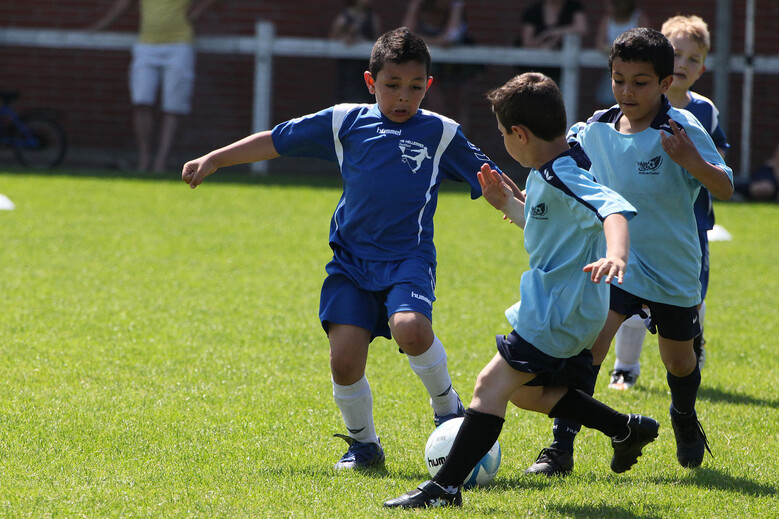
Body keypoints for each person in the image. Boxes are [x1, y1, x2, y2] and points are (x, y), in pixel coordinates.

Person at [181, 27, 503, 470]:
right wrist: (215, 158)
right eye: (392, 86)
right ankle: (364, 446)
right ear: (371, 83)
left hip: (407, 260)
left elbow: (491, 178)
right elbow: (277, 140)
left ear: (428, 86)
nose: (403, 97)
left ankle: (449, 411)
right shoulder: (345, 121)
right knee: (344, 361)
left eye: (414, 88)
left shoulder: (441, 133)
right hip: (350, 265)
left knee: (411, 328)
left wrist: (531, 207)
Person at [383, 72, 652, 510]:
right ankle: (626, 428)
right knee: (526, 393)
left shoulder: (564, 174)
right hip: (563, 307)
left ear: (521, 134)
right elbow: (548, 229)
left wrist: (616, 255)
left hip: (558, 310)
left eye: (503, 134)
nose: (504, 141)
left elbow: (614, 209)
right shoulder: (549, 172)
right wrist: (506, 204)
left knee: (489, 384)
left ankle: (444, 488)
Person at [525, 27, 733, 478]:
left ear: (664, 83)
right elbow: (560, 168)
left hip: (674, 267)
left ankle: (683, 415)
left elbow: (726, 184)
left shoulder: (681, 127)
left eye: (640, 82)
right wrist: (522, 201)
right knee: (587, 352)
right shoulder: (595, 127)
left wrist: (693, 163)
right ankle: (561, 447)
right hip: (616, 263)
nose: (627, 91)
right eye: (619, 79)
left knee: (679, 360)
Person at [608, 15, 729, 391]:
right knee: (625, 300)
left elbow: (720, 169)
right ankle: (625, 368)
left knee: (689, 298)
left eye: (693, 59)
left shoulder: (702, 113)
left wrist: (694, 161)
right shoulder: (618, 114)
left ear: (703, 68)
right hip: (633, 226)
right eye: (676, 54)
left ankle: (693, 344)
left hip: (687, 227)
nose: (682, 64)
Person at [87, 0, 219, 173]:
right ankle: (144, 160)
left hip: (179, 44)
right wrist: (100, 26)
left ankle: (160, 162)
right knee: (141, 102)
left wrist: (196, 12)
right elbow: (123, 5)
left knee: (173, 107)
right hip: (146, 45)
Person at [402, 0, 480, 129]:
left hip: (458, 64)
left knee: (460, 104)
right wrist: (435, 43)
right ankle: (434, 135)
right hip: (431, 64)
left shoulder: (455, 5)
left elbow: (449, 38)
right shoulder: (418, 4)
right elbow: (405, 35)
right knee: (435, 104)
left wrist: (421, 40)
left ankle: (459, 141)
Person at [516, 0, 587, 85]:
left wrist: (553, 33)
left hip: (561, 71)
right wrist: (543, 46)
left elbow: (582, 29)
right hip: (535, 69)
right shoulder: (533, 10)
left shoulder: (574, 6)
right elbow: (527, 43)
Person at [595, 0, 650, 107]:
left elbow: (646, 42)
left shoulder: (638, 17)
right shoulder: (607, 18)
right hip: (612, 69)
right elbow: (599, 44)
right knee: (608, 102)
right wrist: (614, 51)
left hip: (634, 69)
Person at [328, 0, 381, 104]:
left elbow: (377, 40)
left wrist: (363, 42)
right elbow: (333, 39)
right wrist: (346, 38)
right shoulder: (344, 17)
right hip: (348, 69)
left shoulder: (372, 17)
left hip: (366, 66)